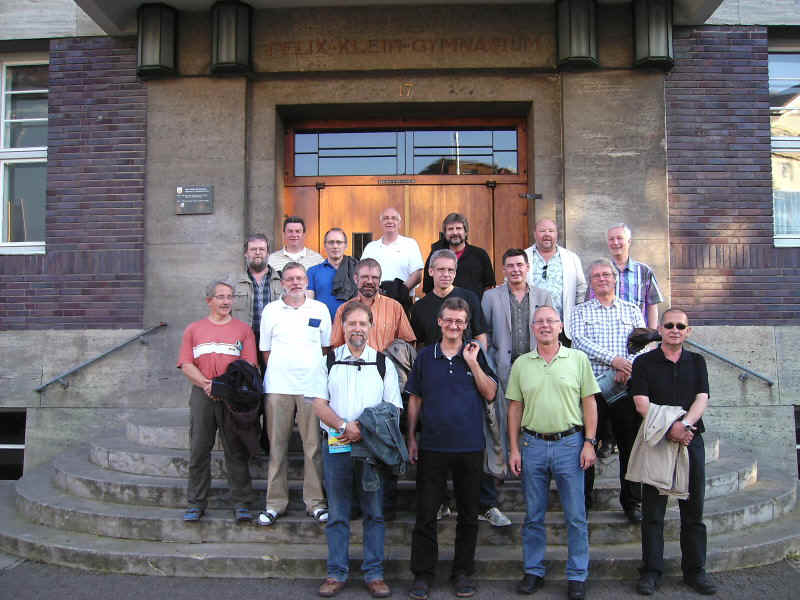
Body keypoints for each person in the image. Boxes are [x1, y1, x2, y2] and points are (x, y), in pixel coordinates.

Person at [406, 297, 498, 600]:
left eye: (460, 321)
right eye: (449, 320)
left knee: (469, 515)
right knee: (426, 514)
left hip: (470, 446)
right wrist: (411, 437)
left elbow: (491, 393)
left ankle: (462, 573)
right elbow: (415, 400)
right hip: (432, 445)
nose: (454, 326)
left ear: (466, 324)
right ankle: (423, 574)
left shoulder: (476, 353)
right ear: (439, 321)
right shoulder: (424, 357)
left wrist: (473, 364)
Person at [507, 305, 599, 600]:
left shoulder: (578, 359)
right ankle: (533, 571)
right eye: (539, 322)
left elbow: (590, 403)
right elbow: (514, 408)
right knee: (533, 515)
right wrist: (513, 448)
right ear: (533, 328)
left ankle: (577, 575)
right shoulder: (522, 363)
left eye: (551, 321)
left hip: (570, 445)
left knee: (575, 515)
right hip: (532, 445)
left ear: (560, 326)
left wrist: (590, 441)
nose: (545, 326)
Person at [311, 302, 402, 599]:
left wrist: (362, 429)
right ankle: (336, 573)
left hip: (371, 449)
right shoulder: (328, 361)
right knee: (337, 512)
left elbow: (393, 408)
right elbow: (318, 404)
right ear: (343, 327)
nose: (357, 329)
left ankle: (374, 574)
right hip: (336, 447)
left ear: (370, 326)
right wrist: (342, 425)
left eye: (363, 324)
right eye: (352, 324)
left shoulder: (383, 363)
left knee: (374, 513)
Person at [630, 308, 716, 596]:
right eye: (669, 325)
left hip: (690, 441)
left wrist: (685, 426)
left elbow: (702, 398)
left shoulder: (697, 361)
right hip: (659, 440)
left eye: (681, 326)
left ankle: (695, 571)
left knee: (693, 511)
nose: (675, 329)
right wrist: (670, 429)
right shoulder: (643, 362)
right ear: (661, 330)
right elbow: (642, 404)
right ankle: (651, 572)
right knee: (653, 513)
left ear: (688, 331)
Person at [176, 280, 258, 523]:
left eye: (229, 297)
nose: (226, 302)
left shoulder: (243, 330)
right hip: (202, 395)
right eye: (220, 297)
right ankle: (196, 503)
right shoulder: (194, 329)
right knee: (199, 449)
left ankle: (242, 503)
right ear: (209, 301)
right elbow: (186, 363)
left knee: (236, 450)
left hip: (232, 395)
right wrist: (206, 384)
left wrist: (222, 387)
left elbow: (249, 365)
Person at [571, 259, 646, 523]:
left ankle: (632, 502)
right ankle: (583, 501)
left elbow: (644, 345)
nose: (602, 279)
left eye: (606, 275)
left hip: (625, 388)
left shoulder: (633, 310)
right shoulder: (580, 312)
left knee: (630, 446)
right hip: (593, 390)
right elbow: (579, 341)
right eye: (596, 276)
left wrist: (627, 366)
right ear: (590, 283)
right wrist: (614, 360)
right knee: (587, 444)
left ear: (615, 279)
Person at [258, 262, 330, 526]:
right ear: (282, 283)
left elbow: (325, 348)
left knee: (313, 449)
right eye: (290, 279)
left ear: (306, 281)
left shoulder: (320, 309)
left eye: (300, 278)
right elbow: (265, 351)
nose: (296, 282)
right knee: (277, 449)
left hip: (312, 388)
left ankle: (315, 503)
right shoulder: (271, 311)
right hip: (278, 388)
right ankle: (275, 503)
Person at [587, 223, 664, 328]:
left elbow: (652, 304)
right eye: (611, 239)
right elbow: (590, 302)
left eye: (619, 238)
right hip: (605, 333)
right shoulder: (598, 272)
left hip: (637, 335)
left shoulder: (644, 271)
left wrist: (652, 335)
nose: (615, 242)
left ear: (629, 241)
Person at [330, 258, 416, 351]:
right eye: (365, 277)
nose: (369, 281)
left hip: (385, 364)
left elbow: (408, 343)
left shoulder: (395, 308)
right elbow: (336, 347)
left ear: (379, 280)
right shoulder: (343, 309)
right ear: (355, 278)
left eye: (374, 277)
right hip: (352, 364)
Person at [410, 249, 488, 349]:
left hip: (465, 362)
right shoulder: (419, 307)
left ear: (455, 273)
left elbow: (480, 335)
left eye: (450, 270)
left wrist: (479, 362)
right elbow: (419, 345)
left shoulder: (470, 299)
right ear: (431, 271)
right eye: (441, 269)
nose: (446, 274)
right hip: (433, 362)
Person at [524, 218, 586, 342]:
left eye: (551, 231)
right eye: (542, 231)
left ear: (557, 234)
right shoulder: (524, 257)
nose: (547, 234)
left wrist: (575, 317)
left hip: (563, 328)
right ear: (535, 234)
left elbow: (581, 289)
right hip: (532, 327)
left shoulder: (571, 258)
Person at [233, 233, 281, 370]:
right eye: (253, 249)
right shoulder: (234, 282)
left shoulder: (283, 280)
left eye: (262, 249)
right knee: (248, 383)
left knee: (272, 380)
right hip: (245, 340)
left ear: (268, 253)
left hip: (275, 341)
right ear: (246, 253)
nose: (258, 253)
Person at [422, 213, 495, 298]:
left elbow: (489, 287)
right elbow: (428, 287)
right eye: (450, 229)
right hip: (443, 309)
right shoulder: (436, 256)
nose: (455, 232)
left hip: (472, 309)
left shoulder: (480, 255)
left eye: (459, 228)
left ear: (466, 232)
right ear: (445, 233)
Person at [360, 207, 424, 300]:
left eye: (394, 218)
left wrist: (401, 290)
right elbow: (362, 273)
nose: (389, 221)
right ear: (381, 223)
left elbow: (417, 274)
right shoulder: (370, 247)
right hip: (375, 299)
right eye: (386, 218)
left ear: (400, 224)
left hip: (402, 299)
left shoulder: (410, 244)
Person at [308, 227, 358, 320]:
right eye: (331, 242)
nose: (335, 246)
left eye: (339, 242)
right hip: (323, 325)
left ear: (345, 245)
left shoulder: (357, 269)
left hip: (352, 325)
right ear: (325, 245)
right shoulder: (313, 272)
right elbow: (309, 304)